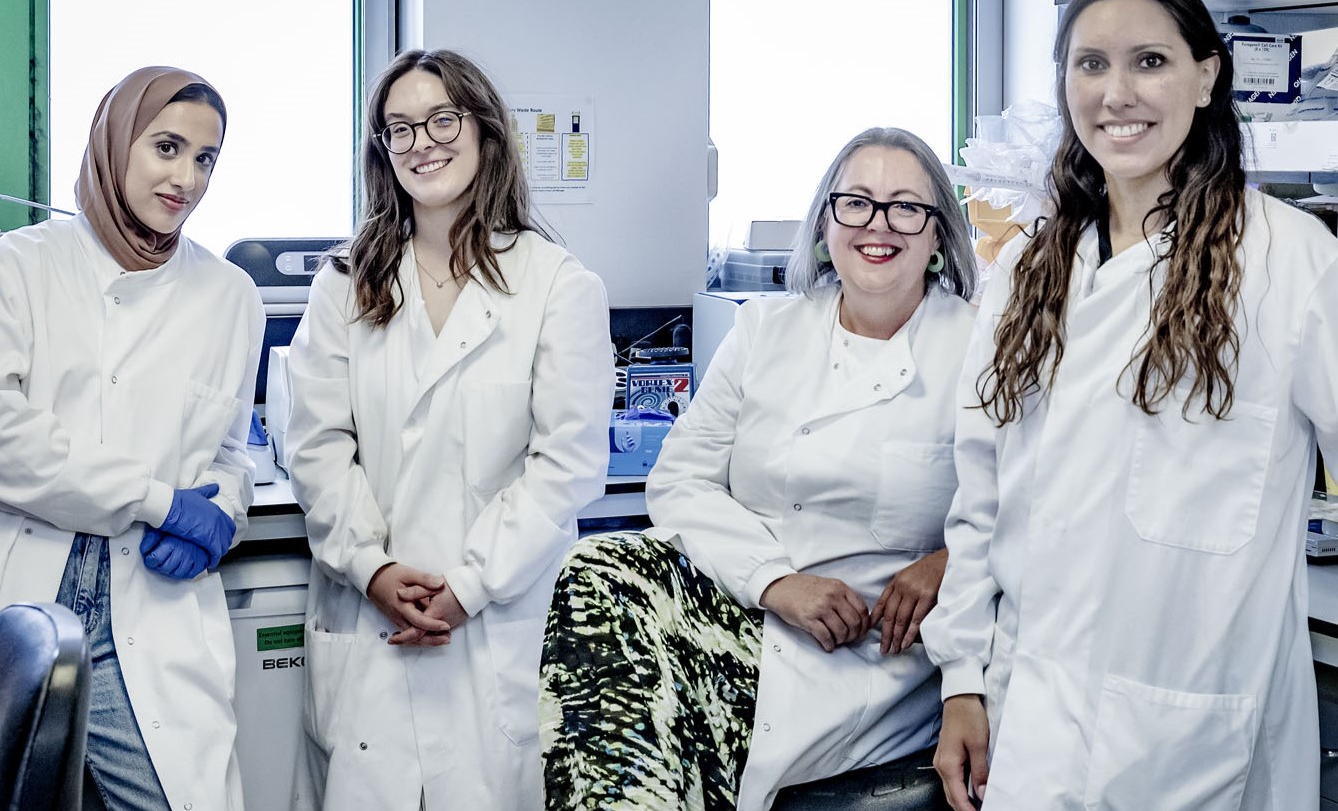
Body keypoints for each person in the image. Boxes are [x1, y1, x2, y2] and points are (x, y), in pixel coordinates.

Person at [922, 0, 1338, 810]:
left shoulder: (1291, 262)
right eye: (1091, 65)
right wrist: (962, 680)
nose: (1117, 93)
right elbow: (981, 501)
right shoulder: (1026, 275)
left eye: (1150, 61)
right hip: (1027, 721)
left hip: (1197, 737)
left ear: (1207, 73)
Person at [540, 127, 979, 811]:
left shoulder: (979, 347)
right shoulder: (764, 331)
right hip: (749, 605)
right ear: (825, 222)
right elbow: (680, 480)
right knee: (597, 571)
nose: (878, 226)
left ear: (939, 235)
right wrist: (777, 582)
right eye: (856, 203)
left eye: (905, 207)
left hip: (869, 654)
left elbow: (1026, 507)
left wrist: (946, 561)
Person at [284, 48, 615, 811]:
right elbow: (316, 446)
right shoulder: (343, 284)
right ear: (382, 151)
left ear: (485, 132)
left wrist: (467, 586)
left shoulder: (558, 286)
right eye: (398, 129)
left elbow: (566, 465)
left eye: (441, 119)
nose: (421, 142)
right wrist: (368, 567)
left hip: (492, 628)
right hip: (367, 624)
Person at [0, 67, 263, 810]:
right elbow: (7, 438)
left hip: (151, 599)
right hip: (27, 590)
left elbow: (228, 452)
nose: (187, 177)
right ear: (116, 142)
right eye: (167, 147)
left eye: (206, 158)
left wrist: (225, 512)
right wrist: (157, 500)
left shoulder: (228, 296)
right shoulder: (20, 268)